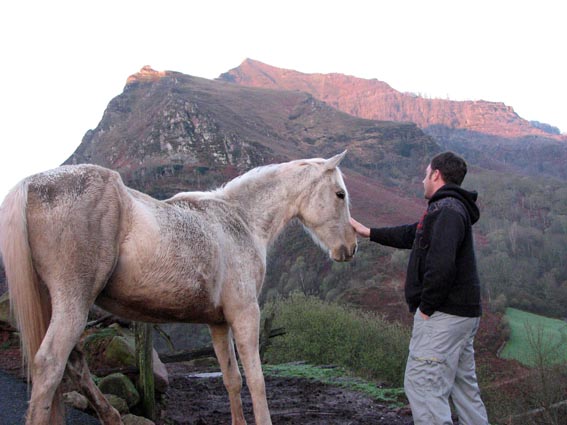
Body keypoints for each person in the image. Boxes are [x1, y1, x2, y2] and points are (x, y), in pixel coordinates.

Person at [350, 151, 489, 425]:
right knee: (464, 389)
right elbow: (413, 234)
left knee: (423, 386)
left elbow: (441, 266)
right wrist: (370, 232)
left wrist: (426, 308)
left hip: (443, 316)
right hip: (462, 316)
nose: (422, 179)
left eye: (425, 173)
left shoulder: (447, 210)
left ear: (436, 174)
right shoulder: (447, 208)